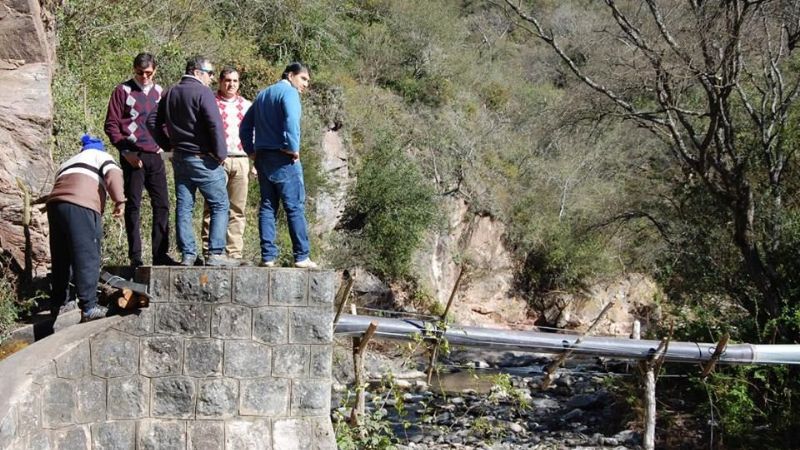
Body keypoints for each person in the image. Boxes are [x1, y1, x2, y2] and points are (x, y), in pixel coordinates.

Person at [147, 55, 236, 267]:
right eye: (210, 73)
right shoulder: (203, 92)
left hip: (180, 158)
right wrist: (221, 154)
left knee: (184, 206)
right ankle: (215, 253)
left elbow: (150, 120)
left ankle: (188, 254)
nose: (212, 78)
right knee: (220, 204)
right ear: (197, 72)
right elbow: (215, 125)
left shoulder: (170, 92)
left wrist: (168, 145)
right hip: (203, 159)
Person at [240, 62, 317, 268]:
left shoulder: (263, 94)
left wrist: (252, 151)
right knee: (294, 206)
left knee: (267, 206)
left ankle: (268, 257)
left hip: (263, 156)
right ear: (290, 75)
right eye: (304, 78)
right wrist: (293, 147)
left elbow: (245, 126)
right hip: (283, 157)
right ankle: (301, 256)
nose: (306, 84)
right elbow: (292, 120)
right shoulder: (289, 93)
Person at [104, 52, 174, 268]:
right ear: (134, 70)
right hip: (132, 155)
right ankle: (135, 256)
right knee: (133, 205)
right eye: (140, 72)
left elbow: (164, 124)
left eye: (148, 73)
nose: (144, 77)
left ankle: (160, 254)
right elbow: (112, 125)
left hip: (154, 154)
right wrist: (126, 152)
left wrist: (169, 146)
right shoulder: (122, 91)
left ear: (155, 71)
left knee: (162, 204)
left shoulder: (160, 92)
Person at [47, 134, 125, 323]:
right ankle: (89, 307)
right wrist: (119, 200)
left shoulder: (68, 162)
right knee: (87, 254)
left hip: (55, 205)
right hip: (81, 205)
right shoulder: (100, 156)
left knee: (61, 257)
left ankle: (60, 303)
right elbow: (113, 173)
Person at [201, 67, 252, 263]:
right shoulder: (210, 103)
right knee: (212, 206)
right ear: (220, 82)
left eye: (235, 81)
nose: (231, 84)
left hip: (241, 158)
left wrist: (254, 159)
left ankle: (234, 252)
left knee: (238, 208)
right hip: (215, 160)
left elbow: (253, 132)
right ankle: (210, 251)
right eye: (227, 80)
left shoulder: (247, 106)